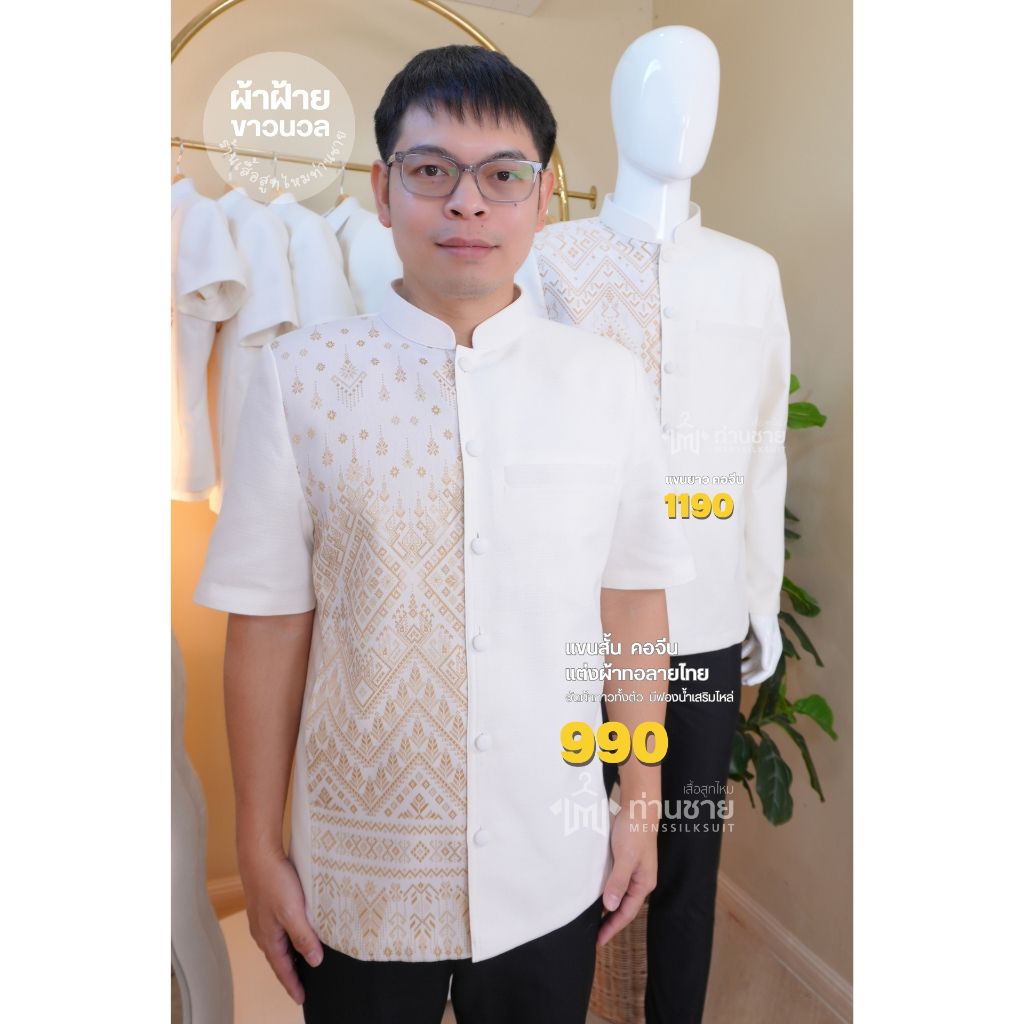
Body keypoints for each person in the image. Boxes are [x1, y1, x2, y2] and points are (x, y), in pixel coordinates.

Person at [195, 46, 695, 1024]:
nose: (467, 202)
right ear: (383, 191)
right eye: (431, 170)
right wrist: (257, 844)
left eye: (502, 175)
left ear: (541, 197)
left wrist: (639, 800)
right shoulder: (301, 379)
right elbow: (268, 627)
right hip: (360, 870)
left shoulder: (605, 383)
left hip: (550, 860)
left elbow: (633, 605)